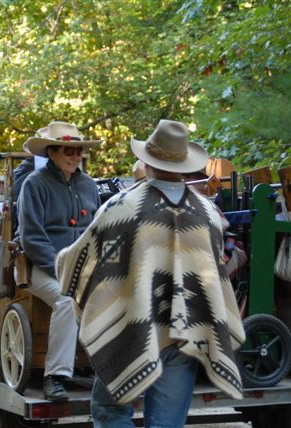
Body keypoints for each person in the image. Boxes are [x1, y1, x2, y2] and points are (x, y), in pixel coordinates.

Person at [56, 119, 245, 427]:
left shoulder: (121, 207)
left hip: (130, 327)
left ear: (146, 161)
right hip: (185, 331)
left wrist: (59, 262)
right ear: (184, 165)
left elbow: (79, 260)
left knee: (110, 412)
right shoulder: (208, 213)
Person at [17, 121, 101, 401]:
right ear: (51, 152)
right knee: (67, 301)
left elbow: (98, 233)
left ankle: (111, 370)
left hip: (84, 267)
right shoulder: (34, 184)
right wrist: (64, 269)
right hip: (41, 267)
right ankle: (55, 376)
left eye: (78, 151)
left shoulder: (89, 185)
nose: (75, 156)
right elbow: (32, 239)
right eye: (69, 150)